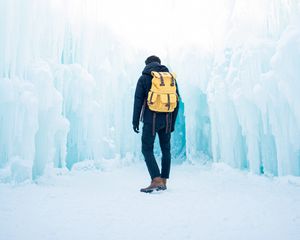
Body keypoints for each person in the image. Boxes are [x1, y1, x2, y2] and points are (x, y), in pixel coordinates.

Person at [132, 55, 179, 193]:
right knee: (166, 150)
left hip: (150, 120)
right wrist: (172, 123)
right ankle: (163, 180)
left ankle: (156, 180)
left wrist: (135, 121)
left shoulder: (144, 78)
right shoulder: (170, 78)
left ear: (147, 64)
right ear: (159, 63)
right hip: (167, 120)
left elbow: (138, 101)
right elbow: (176, 102)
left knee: (147, 149)